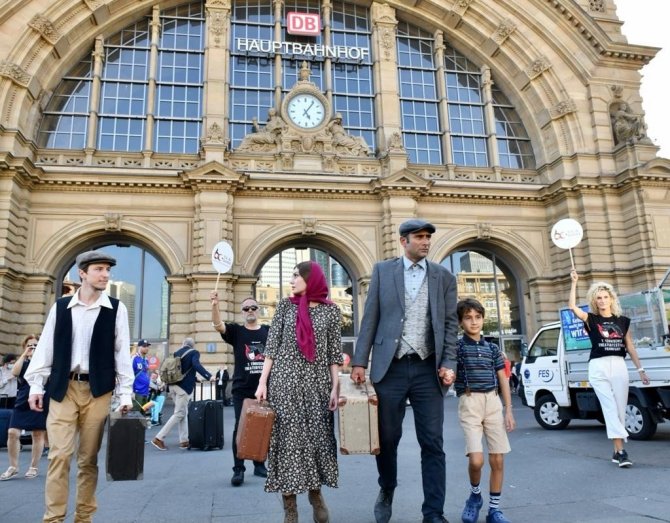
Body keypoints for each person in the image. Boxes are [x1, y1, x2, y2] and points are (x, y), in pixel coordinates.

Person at [351, 218, 458, 523]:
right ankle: (387, 487)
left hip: (428, 368)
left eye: (428, 237)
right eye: (419, 237)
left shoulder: (443, 276)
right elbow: (370, 318)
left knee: (433, 443)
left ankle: (433, 513)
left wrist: (449, 362)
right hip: (391, 368)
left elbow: (450, 325)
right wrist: (359, 361)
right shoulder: (383, 271)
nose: (425, 242)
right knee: (387, 438)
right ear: (403, 241)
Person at [24, 249, 133, 523]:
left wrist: (126, 394)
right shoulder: (61, 307)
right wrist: (36, 385)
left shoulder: (117, 309)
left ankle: (83, 518)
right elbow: (45, 347)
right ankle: (53, 518)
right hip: (64, 389)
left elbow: (122, 354)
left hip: (98, 391)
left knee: (88, 459)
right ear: (82, 273)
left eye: (108, 270)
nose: (105, 275)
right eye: (99, 269)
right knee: (59, 455)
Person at [255, 261, 342, 523]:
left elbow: (334, 354)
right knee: (287, 445)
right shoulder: (285, 306)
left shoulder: (331, 311)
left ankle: (315, 494)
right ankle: (290, 508)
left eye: (297, 275)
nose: (292, 280)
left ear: (310, 278)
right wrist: (262, 382)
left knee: (317, 442)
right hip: (284, 385)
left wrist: (335, 387)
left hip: (317, 386)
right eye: (291, 275)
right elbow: (272, 347)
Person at [569, 270, 650, 467]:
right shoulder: (591, 319)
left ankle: (616, 450)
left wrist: (640, 370)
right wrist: (574, 282)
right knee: (610, 407)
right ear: (594, 301)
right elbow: (572, 307)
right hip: (598, 366)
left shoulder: (622, 321)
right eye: (599, 298)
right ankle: (621, 451)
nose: (603, 301)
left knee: (620, 408)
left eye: (605, 297)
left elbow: (630, 346)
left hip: (619, 365)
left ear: (612, 299)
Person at [455, 298, 516, 523]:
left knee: (497, 459)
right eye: (468, 318)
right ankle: (475, 495)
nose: (474, 322)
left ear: (483, 319)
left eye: (478, 317)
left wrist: (508, 410)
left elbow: (503, 379)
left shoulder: (492, 348)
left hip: (492, 402)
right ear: (461, 322)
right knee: (476, 460)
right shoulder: (457, 348)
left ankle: (494, 510)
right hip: (469, 401)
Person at [211, 293, 270, 486]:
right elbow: (218, 325)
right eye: (246, 308)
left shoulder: (268, 331)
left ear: (258, 310)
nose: (250, 311)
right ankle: (238, 469)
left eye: (253, 307)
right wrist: (215, 305)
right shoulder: (236, 331)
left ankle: (260, 464)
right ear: (242, 312)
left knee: (263, 427)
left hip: (264, 389)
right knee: (241, 428)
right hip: (241, 390)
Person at [151, 338, 213, 451]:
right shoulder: (194, 353)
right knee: (179, 413)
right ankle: (159, 438)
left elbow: (181, 370)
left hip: (172, 386)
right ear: (193, 346)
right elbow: (196, 365)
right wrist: (209, 376)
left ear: (183, 344)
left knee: (183, 413)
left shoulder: (176, 353)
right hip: (183, 389)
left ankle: (184, 441)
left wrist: (194, 378)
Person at [0, 335, 48, 481]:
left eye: (36, 345)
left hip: (40, 398)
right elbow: (14, 372)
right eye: (30, 345)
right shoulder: (24, 362)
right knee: (12, 432)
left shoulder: (45, 361)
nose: (33, 347)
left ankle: (33, 467)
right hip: (22, 400)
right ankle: (13, 467)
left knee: (37, 434)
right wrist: (25, 354)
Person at [132, 339, 151, 410]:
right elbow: (129, 375)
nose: (146, 348)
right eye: (144, 346)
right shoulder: (134, 358)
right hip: (137, 391)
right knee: (135, 414)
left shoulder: (146, 360)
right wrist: (131, 392)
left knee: (143, 413)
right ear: (139, 347)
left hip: (145, 391)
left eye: (147, 346)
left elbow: (145, 374)